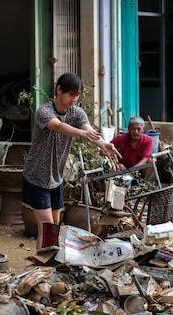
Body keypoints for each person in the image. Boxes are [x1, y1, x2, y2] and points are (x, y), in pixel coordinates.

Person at [22, 73, 120, 250]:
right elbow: (58, 126)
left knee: (55, 226)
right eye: (71, 94)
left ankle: (48, 261)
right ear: (59, 90)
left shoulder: (76, 113)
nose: (74, 99)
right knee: (47, 229)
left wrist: (104, 144)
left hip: (56, 178)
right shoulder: (45, 111)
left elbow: (89, 131)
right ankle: (42, 263)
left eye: (77, 95)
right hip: (37, 177)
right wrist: (82, 133)